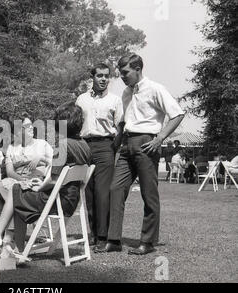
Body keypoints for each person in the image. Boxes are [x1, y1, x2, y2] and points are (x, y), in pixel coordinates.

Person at [95, 54, 184, 255]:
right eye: (121, 73)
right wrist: (117, 143)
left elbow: (177, 113)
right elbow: (125, 121)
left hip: (147, 144)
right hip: (126, 145)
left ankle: (148, 242)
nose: (122, 77)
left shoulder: (155, 89)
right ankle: (114, 240)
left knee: (148, 195)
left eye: (125, 72)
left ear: (138, 68)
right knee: (115, 189)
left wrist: (160, 138)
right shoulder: (126, 93)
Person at [11, 101, 92, 256]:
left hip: (57, 201)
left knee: (16, 190)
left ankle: (18, 248)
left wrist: (39, 187)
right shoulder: (84, 145)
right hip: (72, 201)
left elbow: (54, 180)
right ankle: (15, 243)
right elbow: (61, 177)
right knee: (22, 191)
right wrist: (42, 182)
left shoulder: (62, 145)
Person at [0, 113, 53, 246]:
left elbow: (55, 164)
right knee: (1, 187)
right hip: (17, 182)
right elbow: (10, 172)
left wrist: (41, 158)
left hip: (36, 185)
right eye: (27, 126)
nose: (31, 128)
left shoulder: (42, 144)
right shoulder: (12, 147)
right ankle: (2, 237)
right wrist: (21, 178)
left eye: (31, 125)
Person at [75, 62, 124, 248]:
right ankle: (94, 234)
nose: (103, 79)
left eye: (106, 76)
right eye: (99, 76)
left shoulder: (115, 100)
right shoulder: (81, 99)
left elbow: (120, 127)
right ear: (92, 78)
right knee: (88, 192)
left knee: (102, 193)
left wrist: (113, 148)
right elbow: (77, 123)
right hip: (85, 146)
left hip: (106, 146)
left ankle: (103, 237)